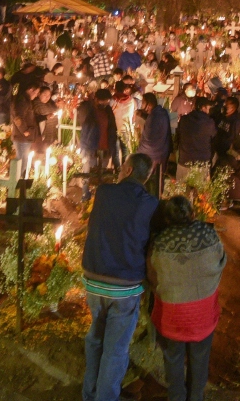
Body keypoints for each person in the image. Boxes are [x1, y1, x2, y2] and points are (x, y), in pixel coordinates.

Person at [82, 153, 159, 401]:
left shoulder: (104, 193)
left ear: (127, 170)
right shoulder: (150, 204)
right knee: (115, 349)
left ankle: (90, 393)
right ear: (145, 177)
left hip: (94, 279)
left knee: (96, 337)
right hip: (125, 285)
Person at [147, 195, 227, 401]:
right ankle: (196, 396)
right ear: (192, 214)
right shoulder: (208, 234)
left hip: (172, 316)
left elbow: (153, 274)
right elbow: (221, 260)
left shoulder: (160, 241)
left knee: (173, 357)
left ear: (167, 219)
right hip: (202, 314)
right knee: (199, 358)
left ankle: (176, 396)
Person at [79, 88, 120, 198]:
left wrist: (113, 146)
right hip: (91, 146)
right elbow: (84, 128)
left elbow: (112, 128)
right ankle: (85, 196)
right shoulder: (89, 110)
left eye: (107, 101)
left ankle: (99, 198)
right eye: (103, 101)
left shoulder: (108, 110)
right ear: (96, 99)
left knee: (102, 175)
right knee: (88, 173)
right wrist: (83, 147)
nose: (105, 103)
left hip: (106, 146)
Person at [176, 97, 217, 179]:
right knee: (200, 191)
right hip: (202, 164)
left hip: (184, 161)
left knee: (181, 190)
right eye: (208, 108)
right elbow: (214, 140)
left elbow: (178, 137)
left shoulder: (184, 119)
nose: (208, 111)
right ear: (202, 107)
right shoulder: (209, 123)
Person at [11, 83, 41, 170]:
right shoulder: (23, 101)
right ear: (31, 89)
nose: (36, 96)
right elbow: (18, 116)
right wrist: (25, 130)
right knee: (22, 161)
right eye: (36, 93)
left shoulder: (24, 100)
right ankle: (19, 180)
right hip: (22, 137)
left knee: (23, 160)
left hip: (23, 136)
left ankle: (20, 179)